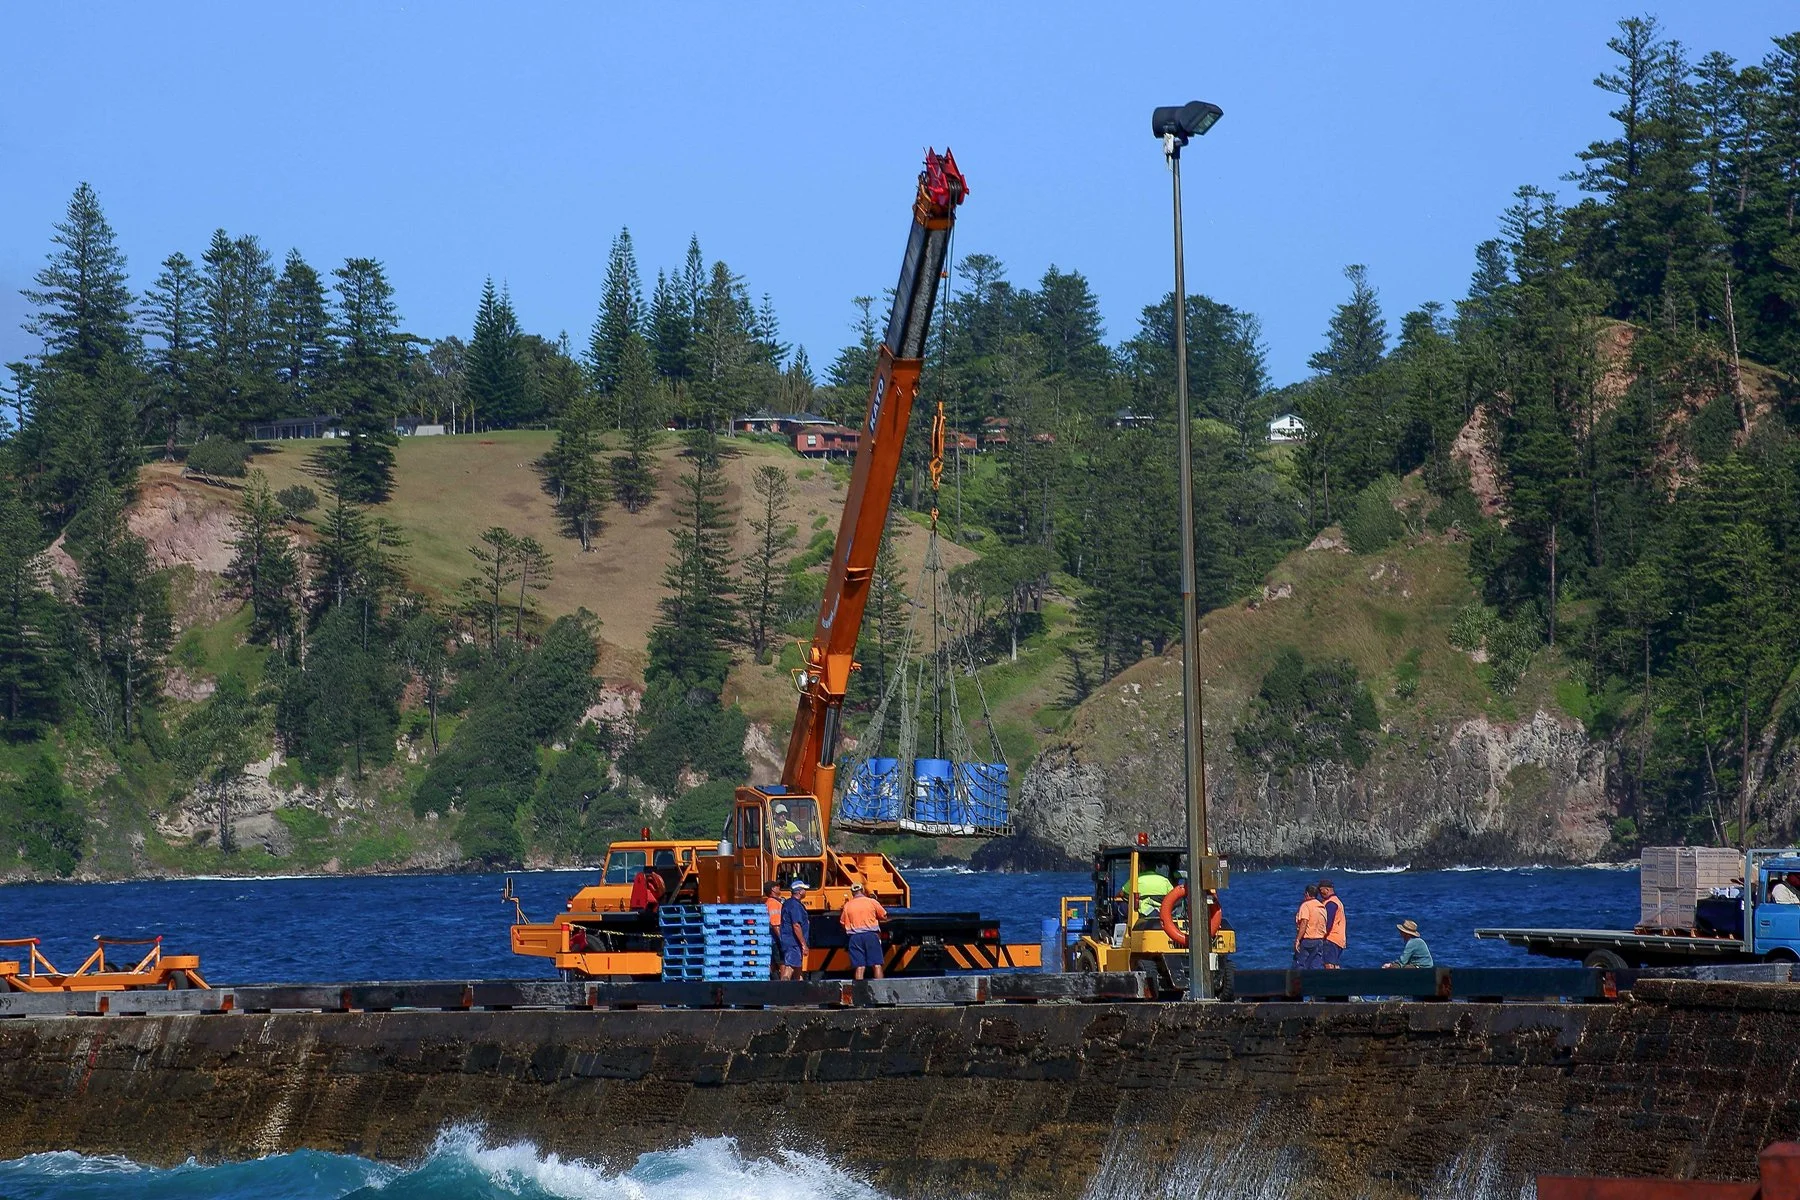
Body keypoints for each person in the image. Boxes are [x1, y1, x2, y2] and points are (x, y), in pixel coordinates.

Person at [839, 881, 889, 980]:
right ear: (862, 890)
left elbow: (842, 922)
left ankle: (859, 991)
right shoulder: (871, 902)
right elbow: (884, 915)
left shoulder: (848, 905)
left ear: (852, 893)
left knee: (859, 967)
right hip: (870, 935)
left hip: (855, 938)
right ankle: (880, 989)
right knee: (876, 964)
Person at [778, 879, 811, 980]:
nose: (806, 892)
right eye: (804, 889)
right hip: (793, 942)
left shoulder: (788, 903)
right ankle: (783, 990)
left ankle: (800, 991)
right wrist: (803, 944)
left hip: (790, 941)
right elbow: (796, 925)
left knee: (797, 968)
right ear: (800, 891)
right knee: (790, 967)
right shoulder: (795, 906)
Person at [1293, 885, 1326, 969]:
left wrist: (1298, 940)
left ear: (1307, 894)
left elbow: (1304, 923)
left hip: (1308, 940)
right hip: (1319, 940)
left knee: (1300, 965)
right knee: (1315, 966)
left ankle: (1299, 982)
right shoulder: (1322, 907)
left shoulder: (1306, 905)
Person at [1318, 879, 1347, 969]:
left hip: (1331, 938)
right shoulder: (1337, 901)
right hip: (1339, 939)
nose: (1319, 893)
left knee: (1328, 964)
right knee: (1334, 964)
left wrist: (1321, 936)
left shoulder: (1331, 903)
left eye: (1320, 890)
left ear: (1327, 890)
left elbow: (1328, 922)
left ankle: (1329, 981)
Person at [763, 881, 784, 979]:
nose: (779, 887)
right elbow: (775, 924)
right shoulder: (773, 904)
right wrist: (782, 940)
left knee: (775, 963)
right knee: (782, 962)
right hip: (775, 939)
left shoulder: (772, 902)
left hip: (773, 939)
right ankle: (784, 984)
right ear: (772, 889)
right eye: (777, 886)